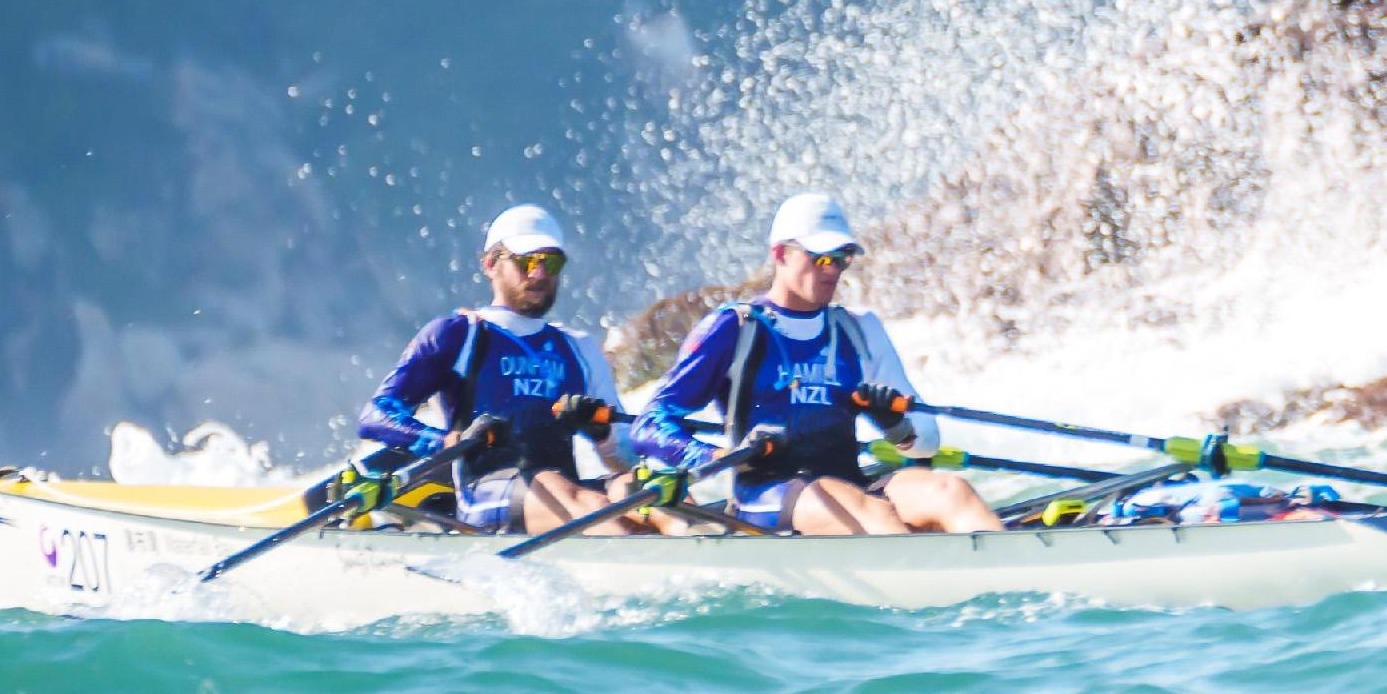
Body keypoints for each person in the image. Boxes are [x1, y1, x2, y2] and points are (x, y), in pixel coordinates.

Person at [627, 190, 1004, 536]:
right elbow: (650, 423)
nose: (833, 270)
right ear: (780, 254)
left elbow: (925, 442)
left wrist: (896, 426)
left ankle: (1011, 583)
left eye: (843, 259)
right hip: (767, 495)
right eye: (820, 257)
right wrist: (711, 456)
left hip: (850, 483)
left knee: (953, 490)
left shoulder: (858, 329)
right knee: (876, 516)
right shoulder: (732, 328)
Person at [355, 204, 629, 535]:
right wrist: (446, 441)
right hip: (486, 495)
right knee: (589, 504)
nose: (539, 274)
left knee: (641, 495)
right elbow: (376, 415)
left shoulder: (579, 348)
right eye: (526, 261)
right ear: (490, 265)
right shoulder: (457, 334)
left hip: (565, 494)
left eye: (551, 262)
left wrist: (601, 432)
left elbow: (624, 458)